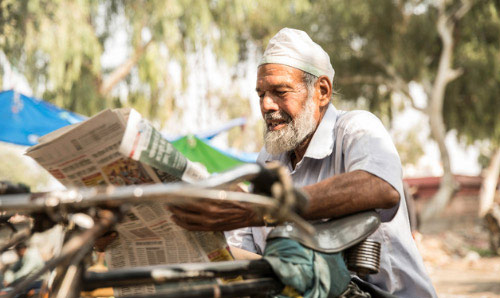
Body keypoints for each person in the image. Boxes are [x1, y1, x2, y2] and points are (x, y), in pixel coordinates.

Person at [168, 28, 437, 297]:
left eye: (280, 92)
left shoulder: (355, 129)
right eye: (261, 94)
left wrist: (264, 209)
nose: (267, 105)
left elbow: (380, 186)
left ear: (322, 91)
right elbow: (251, 257)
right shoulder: (270, 159)